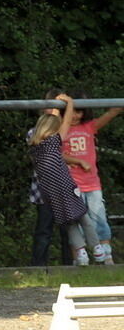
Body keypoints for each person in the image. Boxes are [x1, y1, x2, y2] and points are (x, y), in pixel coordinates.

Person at [28, 94, 100, 266]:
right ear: (55, 128)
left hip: (50, 194)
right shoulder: (55, 142)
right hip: (67, 188)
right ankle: (96, 247)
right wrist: (69, 103)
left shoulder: (34, 146)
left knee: (68, 223)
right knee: (82, 218)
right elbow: (66, 121)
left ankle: (81, 253)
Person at [61, 89, 121, 264]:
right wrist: (77, 161)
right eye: (72, 111)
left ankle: (107, 254)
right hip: (72, 184)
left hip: (92, 184)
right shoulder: (61, 131)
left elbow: (111, 113)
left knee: (99, 217)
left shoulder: (89, 127)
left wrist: (117, 108)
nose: (75, 116)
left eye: (79, 112)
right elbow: (54, 153)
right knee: (76, 221)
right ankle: (78, 257)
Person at [28, 89, 73, 266]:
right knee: (44, 231)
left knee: (67, 232)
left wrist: (68, 105)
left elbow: (66, 123)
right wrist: (63, 108)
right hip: (45, 192)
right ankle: (38, 267)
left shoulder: (61, 135)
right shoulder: (35, 134)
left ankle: (69, 266)